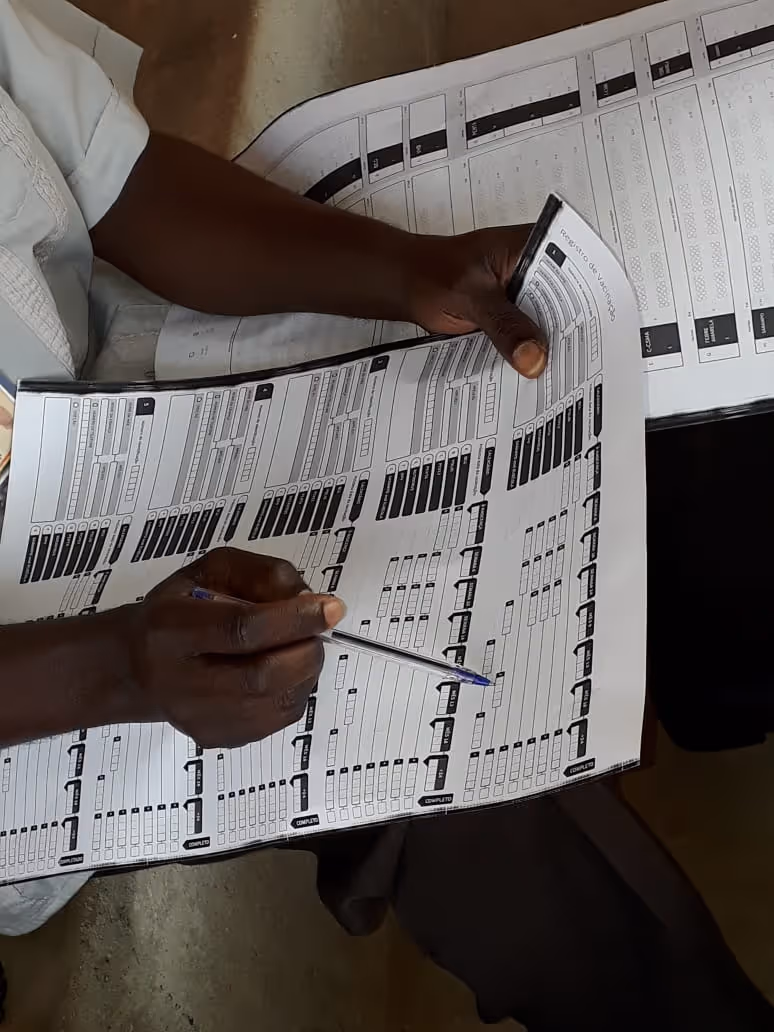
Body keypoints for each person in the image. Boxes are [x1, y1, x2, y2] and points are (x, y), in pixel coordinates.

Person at [1, 2, 773, 1029]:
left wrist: (403, 270)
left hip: (129, 405)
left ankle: (714, 681)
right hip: (42, 686)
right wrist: (112, 666)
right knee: (469, 753)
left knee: (623, 360)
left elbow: (123, 182)